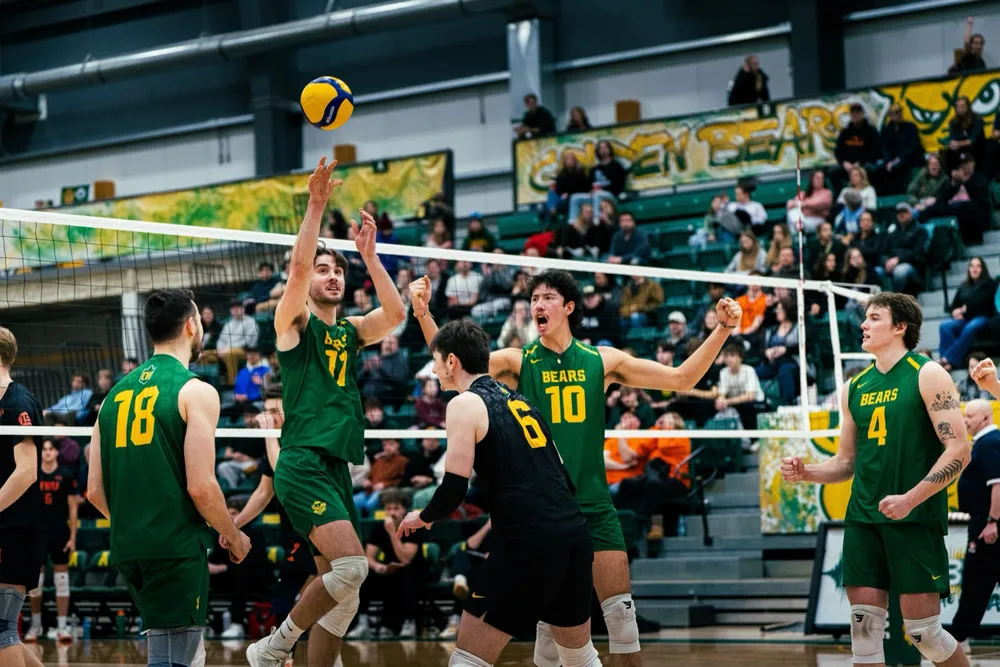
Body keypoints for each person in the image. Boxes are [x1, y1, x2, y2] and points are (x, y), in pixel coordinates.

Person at [410, 270, 742, 667]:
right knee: (551, 639)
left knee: (622, 624)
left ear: (568, 306)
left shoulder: (601, 360)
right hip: (546, 512)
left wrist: (722, 330)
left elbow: (682, 378)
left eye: (547, 297)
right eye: (533, 299)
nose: (537, 305)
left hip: (595, 507)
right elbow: (454, 361)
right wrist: (422, 312)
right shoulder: (519, 361)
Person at [245, 156, 406, 667]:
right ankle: (275, 646)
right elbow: (295, 267)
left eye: (337, 269)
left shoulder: (351, 331)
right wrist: (317, 204)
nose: (332, 275)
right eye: (324, 268)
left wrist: (370, 257)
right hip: (303, 462)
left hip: (335, 466)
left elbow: (397, 314)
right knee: (354, 568)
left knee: (343, 588)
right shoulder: (294, 326)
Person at [781, 292, 971, 667]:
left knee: (925, 634)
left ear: (900, 327)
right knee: (863, 632)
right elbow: (846, 462)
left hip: (914, 516)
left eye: (874, 318)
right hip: (864, 517)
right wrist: (808, 473)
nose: (863, 326)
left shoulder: (927, 373)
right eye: (864, 319)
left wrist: (910, 499)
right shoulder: (855, 387)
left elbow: (959, 450)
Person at [396, 318, 600, 667]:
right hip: (574, 537)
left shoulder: (463, 404)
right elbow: (564, 478)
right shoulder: (521, 401)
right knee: (580, 658)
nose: (433, 369)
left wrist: (424, 517)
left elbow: (454, 488)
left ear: (452, 362)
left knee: (468, 658)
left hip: (528, 542)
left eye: (435, 359)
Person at [87, 290, 251, 667]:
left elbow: (94, 489)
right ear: (192, 326)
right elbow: (202, 486)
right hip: (175, 547)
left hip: (129, 546)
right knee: (177, 658)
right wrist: (234, 535)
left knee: (179, 655)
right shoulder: (197, 390)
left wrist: (137, 522)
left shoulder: (111, 396)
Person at [0, 326, 45, 667]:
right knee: (4, 631)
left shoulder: (18, 402)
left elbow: (27, 472)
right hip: (8, 527)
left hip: (16, 530)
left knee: (2, 629)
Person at [951, 399, 1000, 655]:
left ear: (985, 418)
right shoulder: (985, 443)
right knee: (977, 582)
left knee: (975, 583)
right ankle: (959, 638)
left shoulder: (990, 443)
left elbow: (998, 485)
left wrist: (993, 522)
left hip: (987, 525)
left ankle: (957, 639)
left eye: (970, 416)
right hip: (984, 522)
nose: (965, 420)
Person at [25, 440, 80, 643]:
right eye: (45, 449)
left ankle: (63, 626)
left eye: (51, 449)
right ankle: (36, 624)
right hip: (37, 532)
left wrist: (73, 538)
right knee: (35, 583)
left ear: (57, 452)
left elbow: (73, 507)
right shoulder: (32, 474)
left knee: (62, 581)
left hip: (59, 532)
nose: (47, 453)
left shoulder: (66, 475)